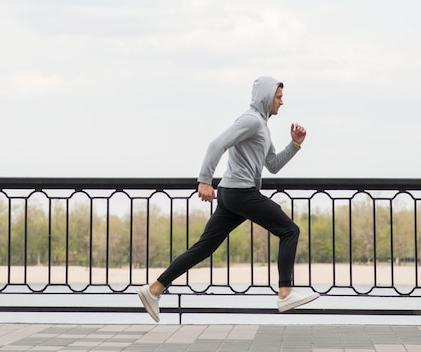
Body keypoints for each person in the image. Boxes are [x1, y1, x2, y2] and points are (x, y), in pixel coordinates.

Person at [137, 76, 320, 322]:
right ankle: (285, 292)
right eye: (278, 97)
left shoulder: (262, 126)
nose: (282, 102)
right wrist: (204, 180)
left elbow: (273, 165)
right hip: (240, 193)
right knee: (289, 231)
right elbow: (216, 144)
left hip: (233, 194)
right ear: (266, 97)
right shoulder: (251, 121)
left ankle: (154, 289)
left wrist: (295, 145)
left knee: (204, 247)